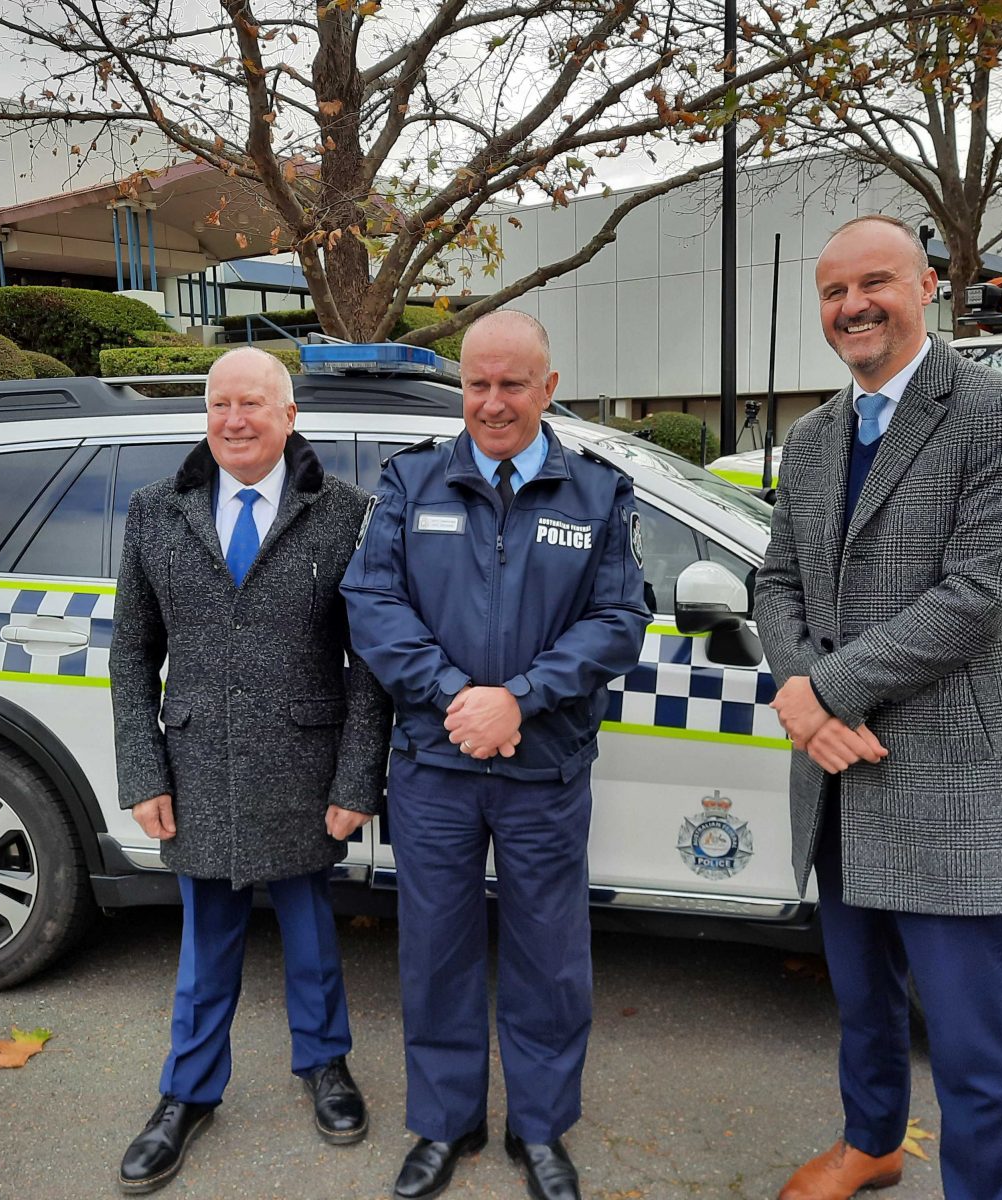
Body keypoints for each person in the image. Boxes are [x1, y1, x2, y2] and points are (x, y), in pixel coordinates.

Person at [753, 215, 1002, 1200]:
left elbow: (973, 597)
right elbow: (777, 582)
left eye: (874, 283)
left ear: (924, 286)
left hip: (947, 782)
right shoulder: (812, 438)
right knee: (864, 1003)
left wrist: (816, 693)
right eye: (834, 293)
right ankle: (873, 1141)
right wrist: (807, 705)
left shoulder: (1000, 413)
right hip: (839, 778)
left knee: (974, 1045)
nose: (853, 307)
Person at [340, 310, 649, 1200]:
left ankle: (542, 1129)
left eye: (513, 384)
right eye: (477, 383)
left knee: (548, 958)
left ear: (549, 388)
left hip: (543, 767)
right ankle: (445, 1124)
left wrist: (519, 697)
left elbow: (618, 621)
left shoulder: (598, 493)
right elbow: (373, 605)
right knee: (434, 950)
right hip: (435, 767)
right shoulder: (413, 484)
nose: (493, 402)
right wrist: (454, 697)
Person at [110, 346, 392, 1193]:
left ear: (289, 415)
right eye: (221, 404)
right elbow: (132, 651)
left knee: (310, 935)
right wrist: (140, 769)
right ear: (207, 415)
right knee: (205, 944)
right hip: (195, 763)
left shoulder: (344, 513)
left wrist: (355, 779)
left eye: (254, 405)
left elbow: (369, 664)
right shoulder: (158, 512)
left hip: (304, 761)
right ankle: (186, 1094)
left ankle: (326, 1066)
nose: (235, 420)